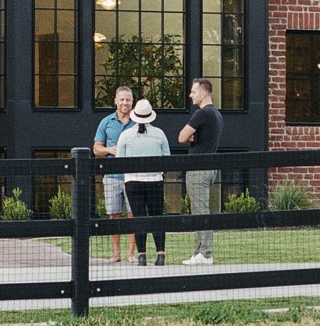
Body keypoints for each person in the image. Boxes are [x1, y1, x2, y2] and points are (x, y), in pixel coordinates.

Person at [116, 98, 171, 266]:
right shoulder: (159, 134)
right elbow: (167, 158)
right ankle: (160, 254)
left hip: (133, 181)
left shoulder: (126, 135)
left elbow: (119, 160)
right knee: (157, 217)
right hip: (154, 180)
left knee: (139, 217)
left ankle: (141, 255)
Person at [176, 75, 223, 265]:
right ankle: (199, 253)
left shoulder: (202, 114)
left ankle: (206, 254)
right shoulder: (217, 115)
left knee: (200, 211)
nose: (190, 95)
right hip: (210, 168)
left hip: (198, 168)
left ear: (203, 93)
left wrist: (189, 136)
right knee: (199, 210)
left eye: (194, 91)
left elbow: (181, 137)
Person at [93, 85, 135, 262]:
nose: (125, 103)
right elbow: (96, 149)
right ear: (115, 101)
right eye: (122, 99)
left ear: (132, 102)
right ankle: (116, 254)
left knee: (133, 215)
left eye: (128, 99)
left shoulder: (139, 122)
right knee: (113, 215)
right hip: (111, 176)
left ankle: (131, 254)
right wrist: (110, 150)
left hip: (133, 176)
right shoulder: (106, 122)